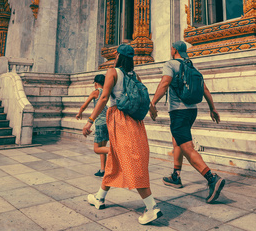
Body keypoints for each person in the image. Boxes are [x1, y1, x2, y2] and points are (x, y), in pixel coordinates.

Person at [83, 44, 162, 225]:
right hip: (136, 121)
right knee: (115, 159)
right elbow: (145, 95)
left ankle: (151, 208)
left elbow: (104, 98)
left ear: (118, 55)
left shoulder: (113, 72)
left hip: (120, 119)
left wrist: (90, 121)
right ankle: (99, 197)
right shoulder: (133, 74)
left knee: (132, 161)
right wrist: (152, 109)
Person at [149, 41, 225, 203]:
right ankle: (176, 176)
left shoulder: (171, 64)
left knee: (187, 147)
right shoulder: (191, 66)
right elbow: (204, 89)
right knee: (178, 141)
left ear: (174, 50)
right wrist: (213, 108)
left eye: (171, 48)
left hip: (179, 112)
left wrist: (153, 102)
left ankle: (212, 178)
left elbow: (164, 83)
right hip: (192, 111)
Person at [76, 74, 109, 176]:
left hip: (99, 123)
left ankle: (118, 151)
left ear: (95, 83)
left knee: (97, 149)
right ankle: (103, 170)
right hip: (108, 123)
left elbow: (84, 105)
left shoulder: (96, 92)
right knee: (102, 147)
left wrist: (79, 113)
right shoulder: (108, 92)